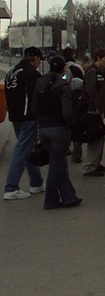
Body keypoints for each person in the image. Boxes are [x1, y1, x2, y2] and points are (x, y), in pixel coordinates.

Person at [32, 56, 82, 210]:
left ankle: (69, 197)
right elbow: (66, 111)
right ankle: (51, 200)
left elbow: (34, 107)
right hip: (59, 128)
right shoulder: (63, 86)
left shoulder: (40, 84)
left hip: (43, 128)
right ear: (63, 69)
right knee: (56, 165)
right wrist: (71, 122)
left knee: (59, 163)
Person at [3, 47, 46, 200]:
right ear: (34, 58)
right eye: (39, 59)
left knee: (28, 149)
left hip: (15, 116)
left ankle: (36, 182)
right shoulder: (32, 74)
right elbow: (40, 95)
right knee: (21, 150)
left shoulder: (12, 72)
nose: (39, 63)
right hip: (29, 117)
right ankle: (11, 187)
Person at [82, 48, 105, 176]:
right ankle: (90, 166)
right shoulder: (92, 71)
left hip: (98, 107)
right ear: (98, 58)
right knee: (95, 136)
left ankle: (96, 162)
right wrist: (100, 107)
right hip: (93, 109)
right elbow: (91, 91)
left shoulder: (100, 71)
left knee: (100, 136)